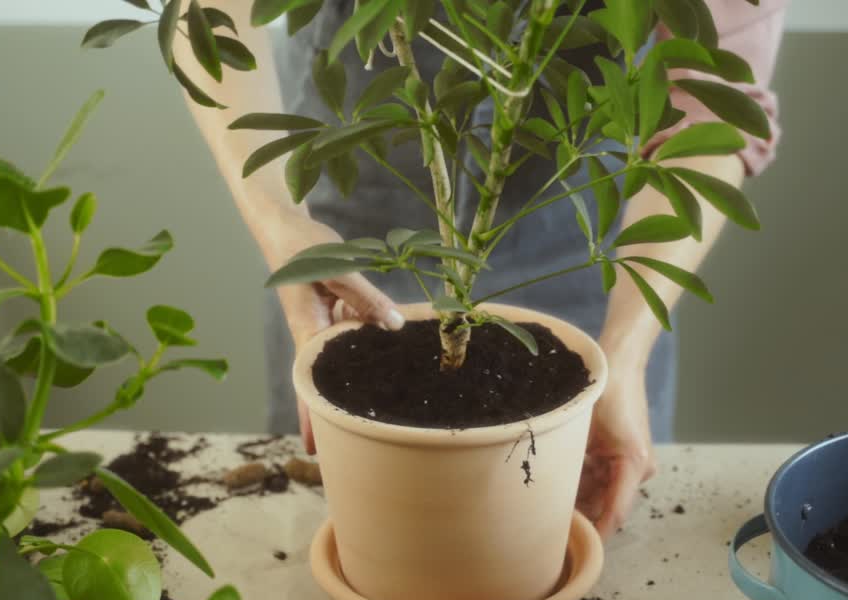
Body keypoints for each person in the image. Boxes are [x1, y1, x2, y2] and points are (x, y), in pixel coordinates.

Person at [174, 0, 786, 537]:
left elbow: (711, 107)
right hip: (352, 226)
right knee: (335, 519)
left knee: (577, 531)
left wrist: (623, 352)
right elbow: (210, 8)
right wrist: (281, 221)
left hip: (584, 240)